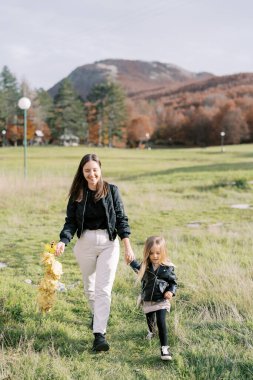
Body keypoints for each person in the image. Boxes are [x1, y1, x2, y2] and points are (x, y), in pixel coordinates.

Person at [55, 153, 135, 352]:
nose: (92, 174)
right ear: (82, 172)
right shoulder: (77, 194)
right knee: (89, 287)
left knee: (103, 289)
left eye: (94, 170)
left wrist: (127, 245)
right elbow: (71, 221)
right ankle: (97, 315)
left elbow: (121, 219)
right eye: (87, 170)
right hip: (85, 243)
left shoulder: (112, 190)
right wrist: (63, 240)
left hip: (109, 243)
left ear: (100, 169)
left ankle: (99, 334)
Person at [128, 236, 177, 361]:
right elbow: (136, 267)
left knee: (161, 322)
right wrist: (130, 260)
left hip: (162, 300)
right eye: (151, 253)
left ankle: (164, 349)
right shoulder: (145, 267)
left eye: (158, 253)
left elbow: (173, 283)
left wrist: (170, 292)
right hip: (148, 300)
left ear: (163, 252)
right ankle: (151, 332)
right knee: (150, 321)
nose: (155, 256)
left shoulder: (168, 268)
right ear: (147, 253)